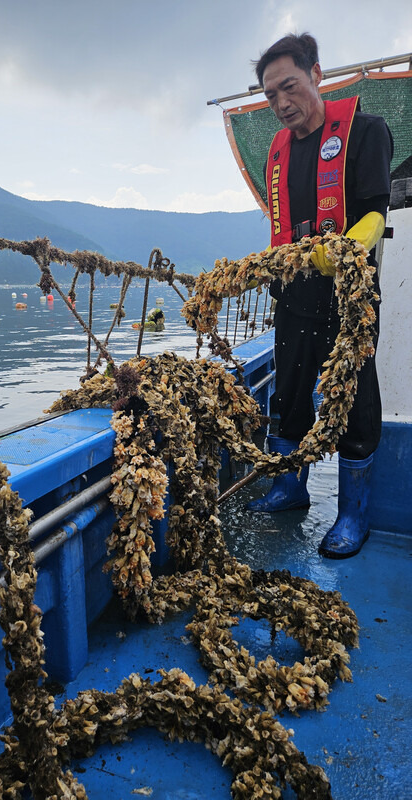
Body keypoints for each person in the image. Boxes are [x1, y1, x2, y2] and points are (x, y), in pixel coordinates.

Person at [246, 33, 393, 559]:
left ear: (316, 75)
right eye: (270, 95)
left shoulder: (364, 132)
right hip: (294, 299)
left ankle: (353, 514)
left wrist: (348, 249)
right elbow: (282, 228)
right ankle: (289, 489)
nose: (282, 102)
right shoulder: (278, 153)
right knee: (287, 393)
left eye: (289, 86)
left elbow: (378, 211)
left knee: (354, 400)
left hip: (349, 299)